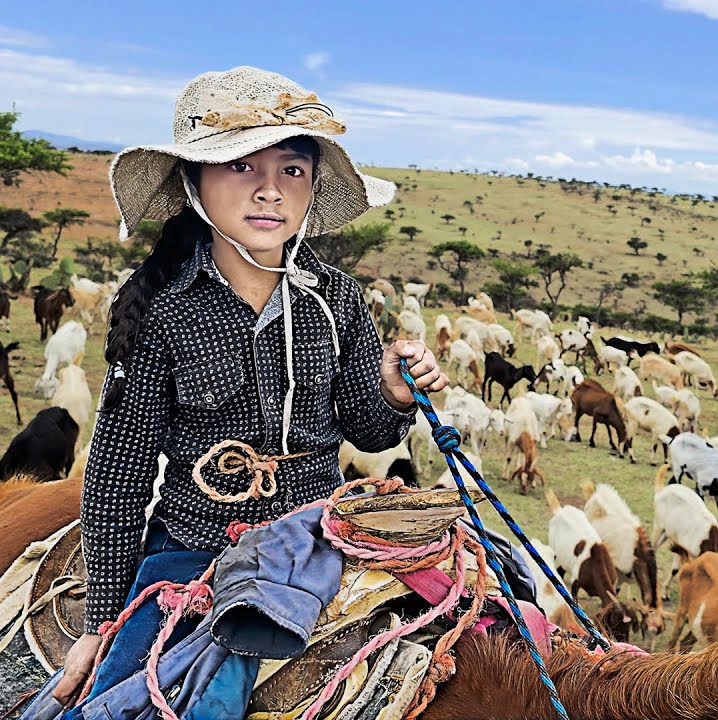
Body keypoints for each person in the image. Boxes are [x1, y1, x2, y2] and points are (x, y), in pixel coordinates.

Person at [51, 66, 447, 711]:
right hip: (196, 544)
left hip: (321, 537)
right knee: (129, 698)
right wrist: (102, 622)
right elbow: (118, 475)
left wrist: (395, 394)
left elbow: (370, 433)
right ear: (194, 181)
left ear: (313, 186)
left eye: (292, 169)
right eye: (241, 166)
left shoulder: (338, 300)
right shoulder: (163, 311)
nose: (270, 191)